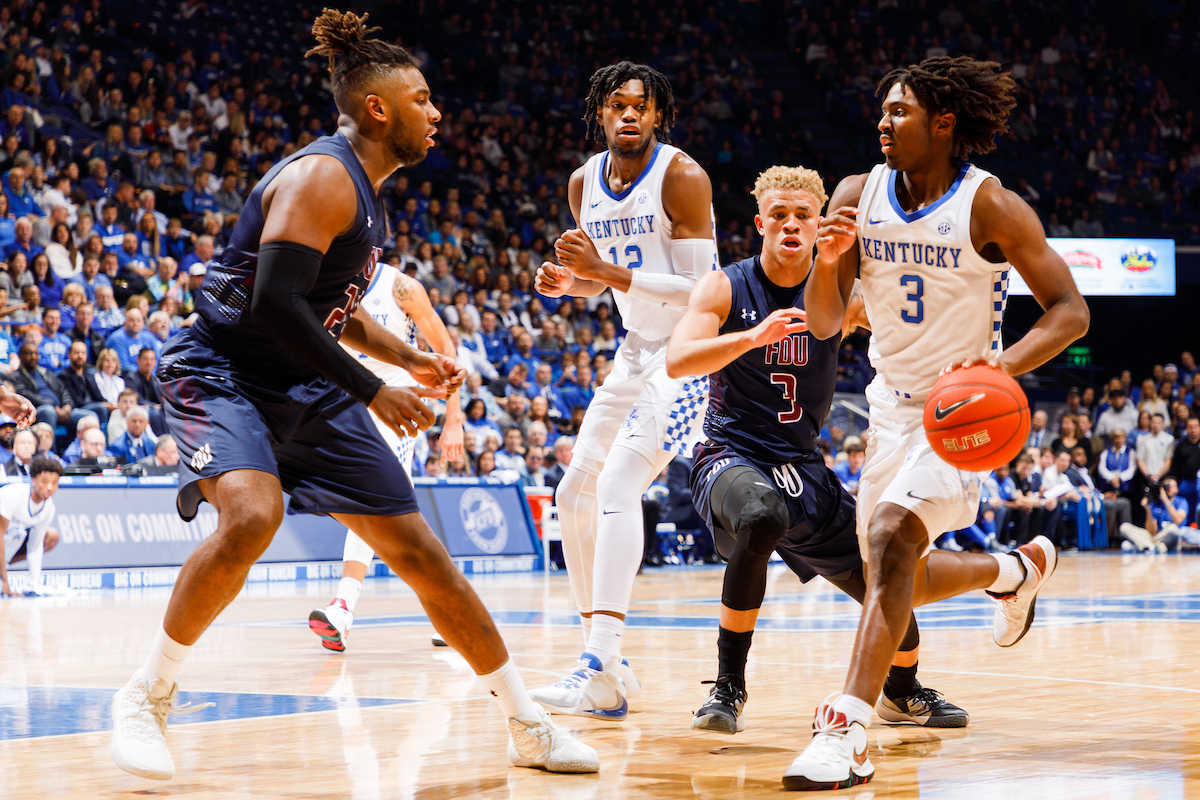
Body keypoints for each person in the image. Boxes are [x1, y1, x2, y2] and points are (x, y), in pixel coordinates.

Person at [109, 11, 597, 783]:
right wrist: (375, 390)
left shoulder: (365, 194)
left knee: (423, 556)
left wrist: (411, 357)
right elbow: (274, 302)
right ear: (378, 108)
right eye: (424, 99)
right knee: (253, 514)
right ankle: (147, 694)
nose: (437, 113)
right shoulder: (322, 176)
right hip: (223, 369)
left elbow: (334, 306)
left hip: (304, 381)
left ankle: (526, 724)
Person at [786, 57, 1090, 790]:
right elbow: (826, 324)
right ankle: (1016, 569)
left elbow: (1071, 312)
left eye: (899, 113)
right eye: (882, 112)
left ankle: (845, 730)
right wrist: (828, 265)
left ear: (943, 124)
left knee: (891, 541)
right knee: (894, 578)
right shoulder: (860, 193)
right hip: (889, 409)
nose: (883, 123)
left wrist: (999, 371)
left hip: (959, 416)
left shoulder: (992, 207)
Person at [666, 165, 967, 737]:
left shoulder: (843, 297)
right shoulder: (726, 286)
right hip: (730, 453)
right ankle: (729, 687)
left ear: (820, 223)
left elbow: (913, 330)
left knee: (888, 576)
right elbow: (678, 360)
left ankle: (901, 693)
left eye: (803, 215)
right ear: (760, 223)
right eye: (778, 215)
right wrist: (751, 338)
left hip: (803, 466)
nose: (790, 225)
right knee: (760, 516)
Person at [531, 61, 717, 719]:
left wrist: (603, 270)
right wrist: (571, 283)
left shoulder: (682, 176)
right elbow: (602, 281)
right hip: (633, 353)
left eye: (641, 105)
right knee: (572, 491)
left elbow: (705, 292)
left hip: (690, 356)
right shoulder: (585, 182)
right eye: (617, 105)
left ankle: (598, 659)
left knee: (616, 489)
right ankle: (602, 664)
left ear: (657, 115)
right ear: (601, 113)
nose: (630, 114)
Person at [308, 265, 466, 652]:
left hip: (396, 407)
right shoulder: (328, 280)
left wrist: (454, 419)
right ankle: (452, 610)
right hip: (346, 401)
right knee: (399, 517)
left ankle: (343, 606)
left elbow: (446, 353)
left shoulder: (403, 289)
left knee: (374, 502)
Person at [0, 455, 63, 596]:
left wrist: (35, 583)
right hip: (1, 537)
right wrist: (5, 581)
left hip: (8, 542)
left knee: (50, 536)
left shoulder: (49, 508)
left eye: (54, 483)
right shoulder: (14, 496)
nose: (49, 487)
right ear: (34, 481)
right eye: (44, 481)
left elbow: (35, 546)